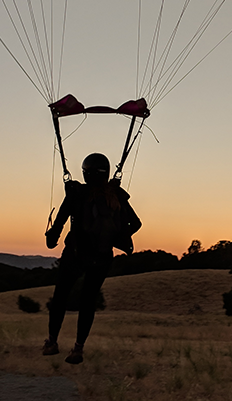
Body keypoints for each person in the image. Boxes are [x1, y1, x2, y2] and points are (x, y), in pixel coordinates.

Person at [42, 152, 141, 364]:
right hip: (103, 258)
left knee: (60, 297)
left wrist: (52, 236)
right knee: (88, 302)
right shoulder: (116, 196)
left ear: (86, 173)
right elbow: (136, 223)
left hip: (75, 255)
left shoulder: (76, 194)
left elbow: (56, 230)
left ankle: (52, 342)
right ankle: (78, 348)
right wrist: (119, 237)